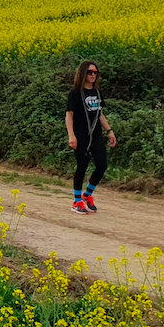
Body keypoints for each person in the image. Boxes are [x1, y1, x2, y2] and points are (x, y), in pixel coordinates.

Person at [66, 60, 117, 215]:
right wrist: (71, 135)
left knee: (102, 165)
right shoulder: (75, 93)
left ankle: (87, 195)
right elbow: (69, 116)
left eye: (95, 72)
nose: (93, 75)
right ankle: (77, 201)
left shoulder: (97, 93)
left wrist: (109, 131)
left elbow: (100, 114)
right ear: (83, 73)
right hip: (80, 134)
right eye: (90, 72)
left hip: (96, 135)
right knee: (82, 166)